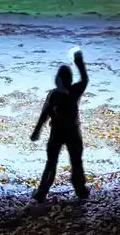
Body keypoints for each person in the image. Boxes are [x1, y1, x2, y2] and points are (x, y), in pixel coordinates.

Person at [30, 48, 90, 202]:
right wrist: (79, 62)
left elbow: (45, 114)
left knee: (65, 163)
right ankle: (78, 191)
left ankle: (44, 193)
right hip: (65, 132)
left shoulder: (59, 94)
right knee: (66, 163)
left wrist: (37, 131)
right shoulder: (67, 92)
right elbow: (84, 79)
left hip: (63, 132)